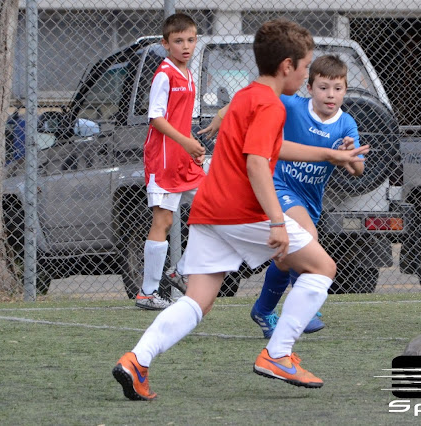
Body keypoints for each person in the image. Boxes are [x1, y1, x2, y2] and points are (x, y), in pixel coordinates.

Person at [112, 18, 369, 400]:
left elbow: (272, 148)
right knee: (322, 267)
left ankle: (137, 360)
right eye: (305, 67)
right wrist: (278, 221)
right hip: (240, 212)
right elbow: (256, 162)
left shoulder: (249, 95)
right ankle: (278, 354)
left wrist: (329, 154)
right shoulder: (270, 105)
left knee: (197, 301)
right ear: (287, 66)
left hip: (209, 210)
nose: (306, 75)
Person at [204, 55, 364, 337]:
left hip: (310, 199)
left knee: (286, 257)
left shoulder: (346, 124)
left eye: (337, 88)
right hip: (279, 186)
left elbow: (358, 169)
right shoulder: (292, 105)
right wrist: (221, 115)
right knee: (309, 237)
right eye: (323, 87)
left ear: (345, 91)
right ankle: (305, 307)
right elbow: (250, 99)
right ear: (309, 88)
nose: (330, 95)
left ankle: (263, 310)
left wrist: (349, 154)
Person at [135, 13, 206, 310]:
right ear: (166, 44)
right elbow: (156, 118)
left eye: (190, 40)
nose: (185, 46)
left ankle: (181, 270)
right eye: (178, 41)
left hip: (182, 159)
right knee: (163, 221)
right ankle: (148, 292)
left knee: (213, 206)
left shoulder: (188, 75)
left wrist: (191, 146)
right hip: (163, 159)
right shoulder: (165, 74)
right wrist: (185, 142)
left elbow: (180, 119)